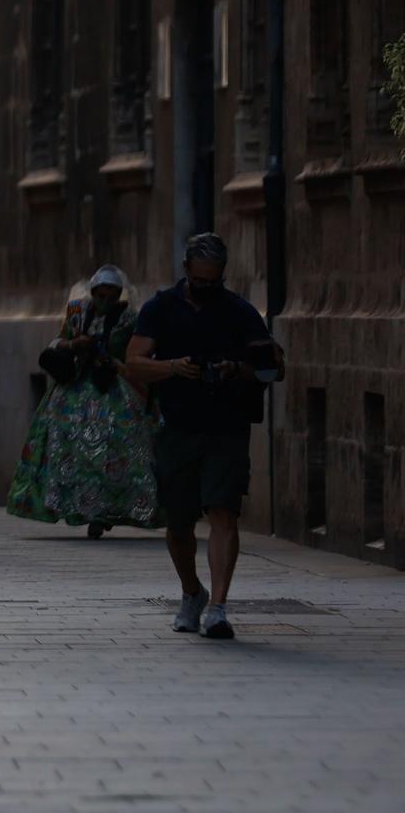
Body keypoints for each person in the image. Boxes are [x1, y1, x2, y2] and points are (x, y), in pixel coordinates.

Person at [125, 234, 280, 641]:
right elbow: (135, 364)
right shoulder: (160, 309)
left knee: (223, 511)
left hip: (227, 426)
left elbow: (269, 367)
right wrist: (173, 367)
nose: (206, 288)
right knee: (178, 524)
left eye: (214, 281)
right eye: (200, 280)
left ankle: (218, 608)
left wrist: (236, 369)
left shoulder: (239, 312)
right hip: (176, 427)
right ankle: (192, 593)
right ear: (186, 270)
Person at [7, 265, 162, 537]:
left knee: (118, 448)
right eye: (100, 295)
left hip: (114, 389)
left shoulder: (129, 319)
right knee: (65, 445)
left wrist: (115, 363)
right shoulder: (77, 313)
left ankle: (107, 510)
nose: (105, 302)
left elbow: (134, 353)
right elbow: (59, 341)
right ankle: (78, 506)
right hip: (74, 388)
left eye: (111, 296)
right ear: (92, 293)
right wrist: (74, 345)